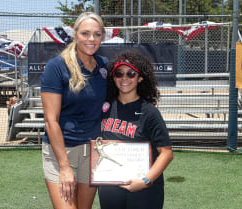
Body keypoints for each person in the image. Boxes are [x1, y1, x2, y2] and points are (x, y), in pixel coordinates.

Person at [40, 12, 108, 209]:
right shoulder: (57, 67)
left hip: (92, 151)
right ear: (75, 34)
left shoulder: (104, 66)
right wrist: (64, 166)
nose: (91, 39)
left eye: (96, 34)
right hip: (62, 152)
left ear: (102, 37)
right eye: (85, 33)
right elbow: (50, 121)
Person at [98, 50, 173, 209]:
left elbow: (166, 153)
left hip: (143, 190)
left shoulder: (149, 112)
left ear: (139, 78)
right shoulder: (105, 107)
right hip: (110, 186)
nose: (125, 78)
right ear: (114, 77)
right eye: (119, 73)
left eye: (131, 73)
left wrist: (145, 181)